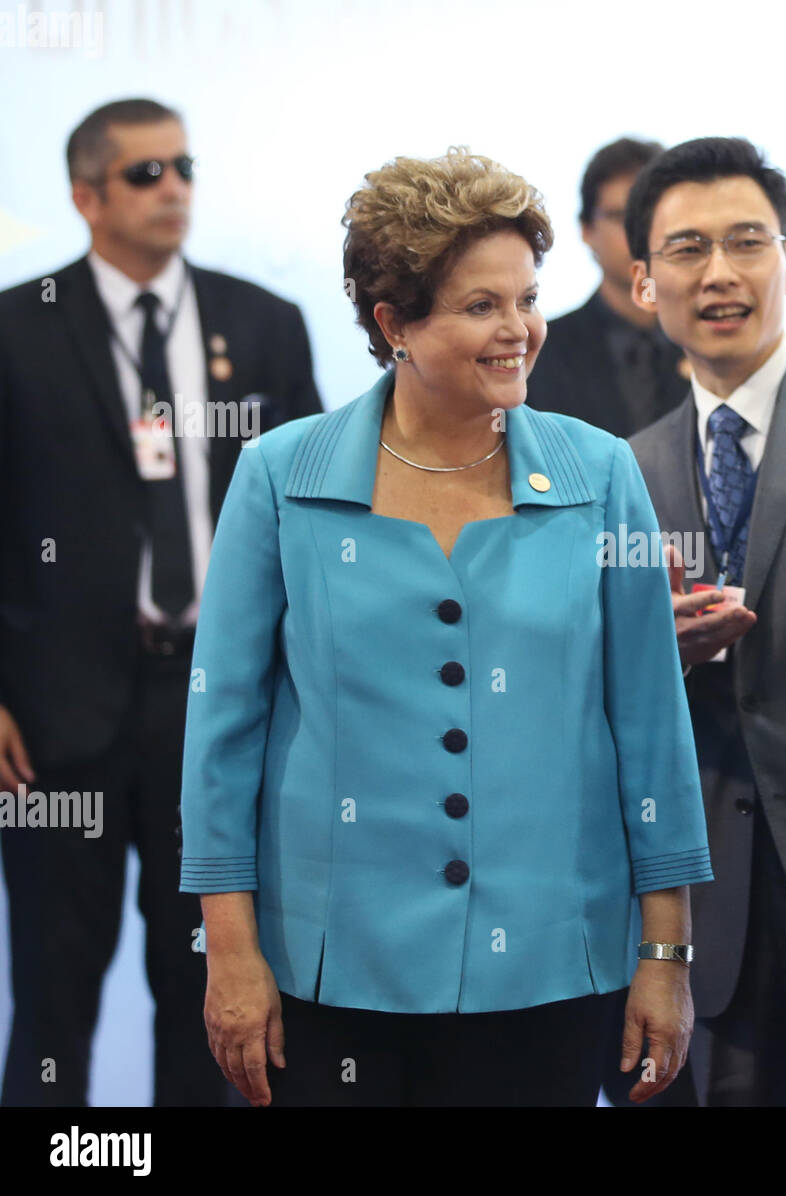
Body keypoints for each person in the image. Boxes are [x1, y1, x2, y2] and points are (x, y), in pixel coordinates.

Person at [179, 149, 711, 1108]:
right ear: (393, 324)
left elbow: (651, 725)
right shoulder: (280, 475)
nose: (519, 331)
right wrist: (230, 951)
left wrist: (664, 952)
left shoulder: (600, 476)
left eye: (527, 298)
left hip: (553, 966)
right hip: (331, 970)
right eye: (480, 307)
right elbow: (224, 731)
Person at [0, 98, 321, 1107]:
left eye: (182, 165)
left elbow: (313, 520)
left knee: (212, 989)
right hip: (57, 718)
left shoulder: (263, 322)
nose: (173, 187)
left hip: (218, 705)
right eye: (145, 172)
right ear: (85, 194)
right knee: (55, 994)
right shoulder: (14, 328)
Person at [625, 137, 786, 1107]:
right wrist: (655, 653)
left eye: (745, 242)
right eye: (686, 250)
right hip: (700, 903)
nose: (718, 273)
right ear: (644, 282)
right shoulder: (621, 469)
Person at [525, 137, 687, 437]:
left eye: (652, 216)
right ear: (586, 229)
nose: (640, 233)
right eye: (621, 217)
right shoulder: (538, 354)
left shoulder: (707, 343)